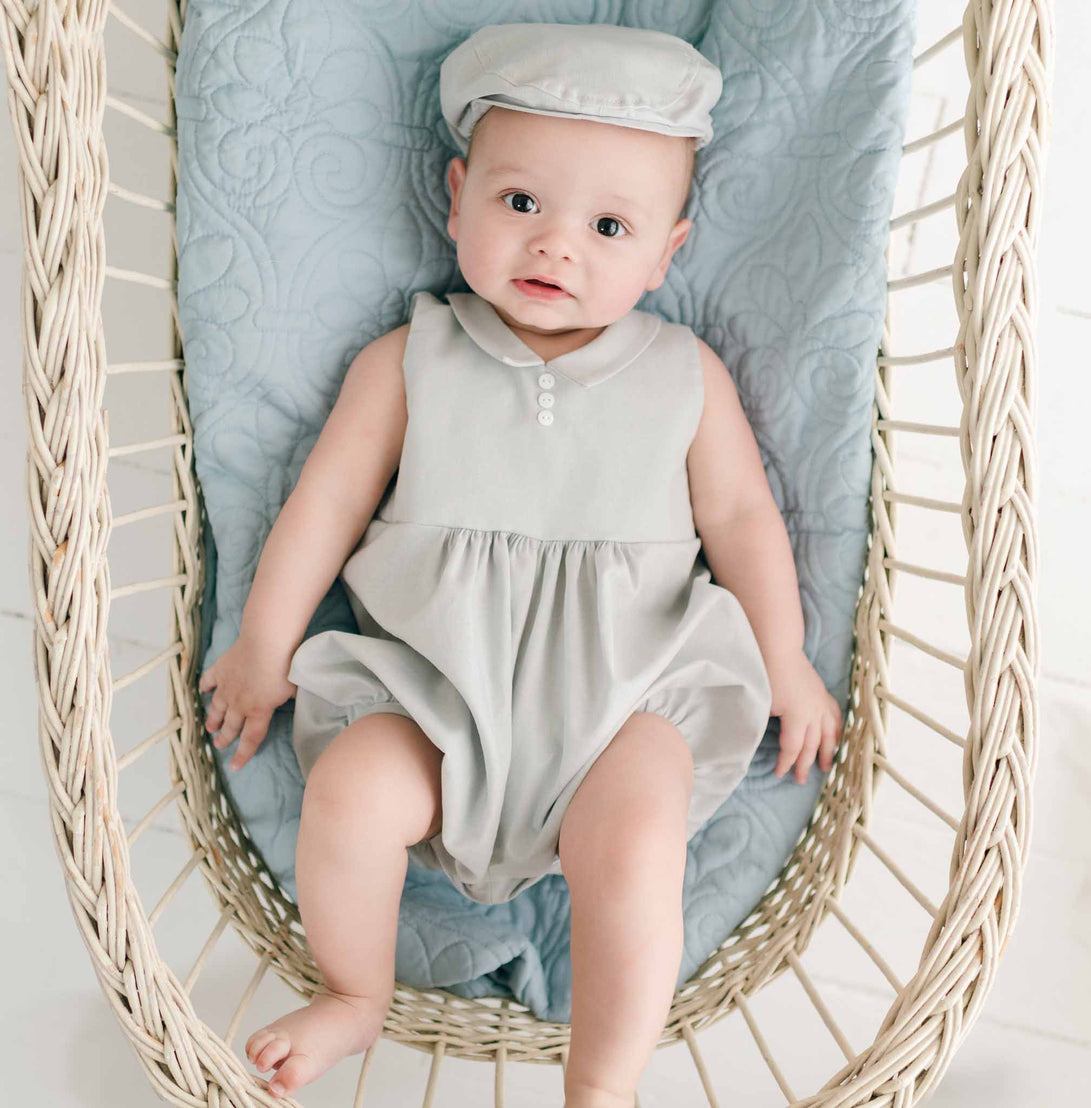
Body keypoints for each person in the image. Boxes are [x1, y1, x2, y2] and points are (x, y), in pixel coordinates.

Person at [197, 22, 842, 1108]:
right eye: (518, 205)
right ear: (455, 198)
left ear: (667, 252)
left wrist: (788, 660)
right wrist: (263, 644)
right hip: (439, 701)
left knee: (635, 845)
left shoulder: (684, 374)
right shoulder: (410, 358)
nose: (555, 247)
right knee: (351, 794)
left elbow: (740, 518)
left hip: (625, 701)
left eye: (606, 226)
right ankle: (355, 992)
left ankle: (601, 1083)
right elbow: (325, 503)